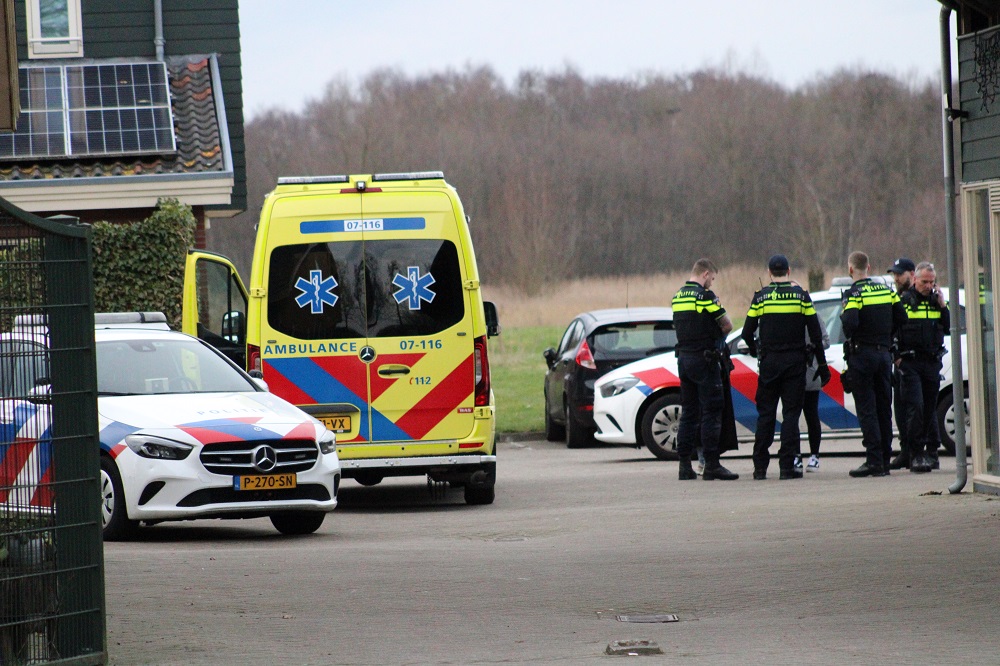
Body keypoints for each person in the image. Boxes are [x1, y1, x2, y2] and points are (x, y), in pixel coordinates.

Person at [742, 255, 830, 480]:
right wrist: (821, 364)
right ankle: (787, 466)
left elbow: (746, 332)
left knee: (766, 414)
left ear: (769, 272)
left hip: (770, 363)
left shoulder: (760, 298)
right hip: (795, 364)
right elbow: (816, 334)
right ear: (789, 271)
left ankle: (760, 467)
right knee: (791, 415)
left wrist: (755, 350)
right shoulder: (802, 297)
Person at [671, 258, 739, 481]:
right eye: (712, 278)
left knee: (689, 413)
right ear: (705, 274)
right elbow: (726, 324)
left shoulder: (678, 297)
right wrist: (719, 339)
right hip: (705, 360)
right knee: (711, 410)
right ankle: (711, 464)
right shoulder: (706, 296)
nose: (711, 282)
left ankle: (684, 466)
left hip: (684, 360)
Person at [841, 252, 907, 477]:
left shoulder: (854, 293)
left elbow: (850, 324)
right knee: (883, 409)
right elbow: (902, 318)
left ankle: (873, 460)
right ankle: (885, 461)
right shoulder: (887, 291)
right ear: (868, 267)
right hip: (883, 356)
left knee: (867, 409)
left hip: (862, 356)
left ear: (851, 270)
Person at [896, 262, 950, 473]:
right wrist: (897, 357)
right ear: (915, 279)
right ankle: (916, 453)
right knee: (915, 407)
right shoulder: (905, 301)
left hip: (931, 362)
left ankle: (929, 452)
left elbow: (947, 327)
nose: (928, 285)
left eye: (932, 282)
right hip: (910, 362)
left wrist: (943, 305)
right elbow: (893, 328)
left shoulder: (936, 302)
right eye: (925, 281)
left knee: (928, 409)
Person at [886, 257, 916, 471]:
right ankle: (906, 451)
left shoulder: (921, 297)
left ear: (911, 274)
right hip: (900, 362)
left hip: (916, 361)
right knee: (901, 410)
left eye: (900, 273)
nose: (896, 277)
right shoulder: (897, 298)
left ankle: (917, 451)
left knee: (915, 409)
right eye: (894, 274)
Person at [802, 315, 831, 471]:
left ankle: (814, 455)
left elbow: (826, 341)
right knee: (791, 416)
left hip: (811, 370)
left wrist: (812, 346)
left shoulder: (815, 317)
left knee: (811, 414)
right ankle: (795, 456)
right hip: (793, 372)